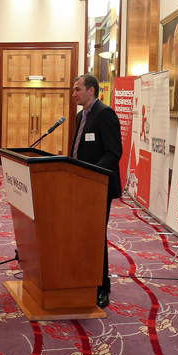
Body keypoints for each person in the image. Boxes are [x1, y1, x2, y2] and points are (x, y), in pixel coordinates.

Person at [69, 74, 122, 309]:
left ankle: (102, 287)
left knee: (96, 235)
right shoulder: (81, 115)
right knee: (82, 233)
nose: (74, 94)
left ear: (91, 90)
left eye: (77, 89)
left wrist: (90, 174)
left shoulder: (105, 113)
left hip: (98, 186)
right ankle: (83, 277)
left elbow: (114, 152)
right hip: (80, 185)